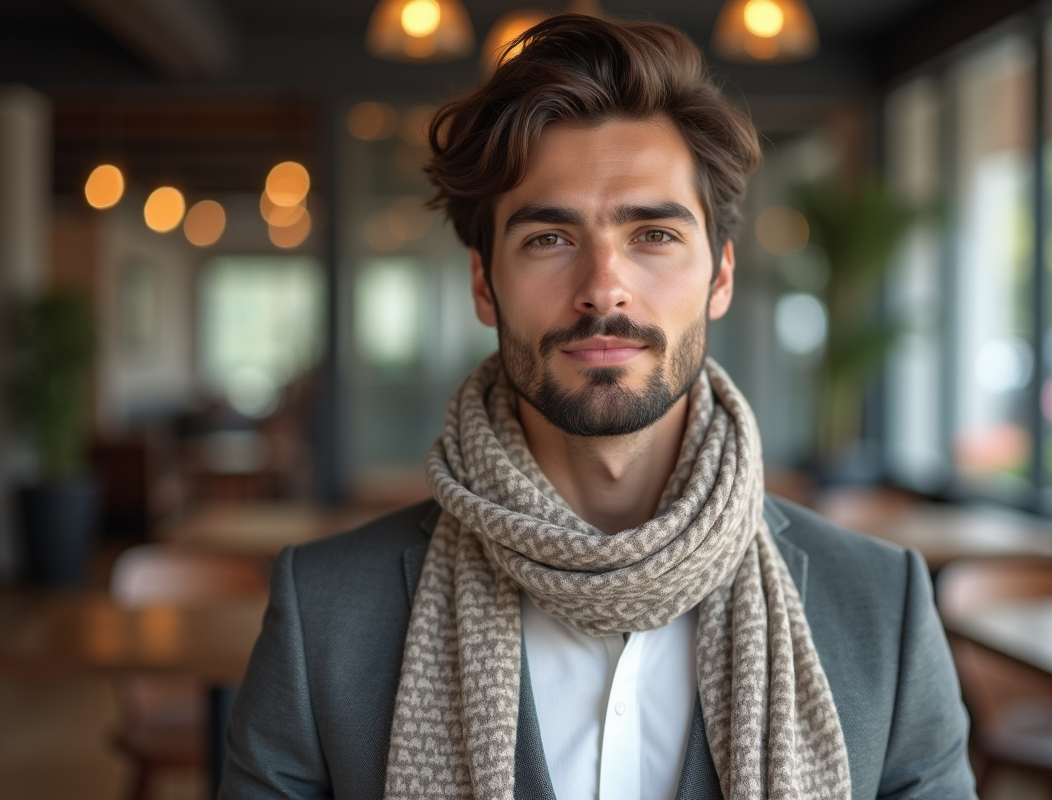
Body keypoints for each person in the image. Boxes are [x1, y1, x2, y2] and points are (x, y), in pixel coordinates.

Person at [220, 13, 976, 800]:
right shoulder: (326, 611)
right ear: (485, 283)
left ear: (719, 277)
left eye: (653, 234)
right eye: (549, 238)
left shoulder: (882, 607)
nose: (602, 286)